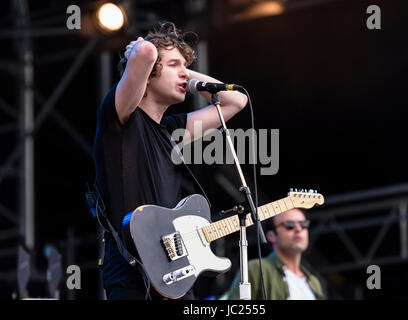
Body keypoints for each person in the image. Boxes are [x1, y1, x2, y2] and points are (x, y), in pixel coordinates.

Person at [93, 21, 248, 300]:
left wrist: (183, 72)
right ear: (148, 76)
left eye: (185, 68)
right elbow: (145, 53)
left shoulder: (172, 130)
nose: (184, 75)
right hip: (133, 274)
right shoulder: (121, 116)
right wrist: (139, 52)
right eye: (175, 65)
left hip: (174, 275)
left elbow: (235, 101)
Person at [227, 208, 326, 300]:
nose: (298, 229)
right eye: (289, 225)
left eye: (303, 224)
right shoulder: (256, 268)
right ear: (271, 236)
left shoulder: (314, 281)